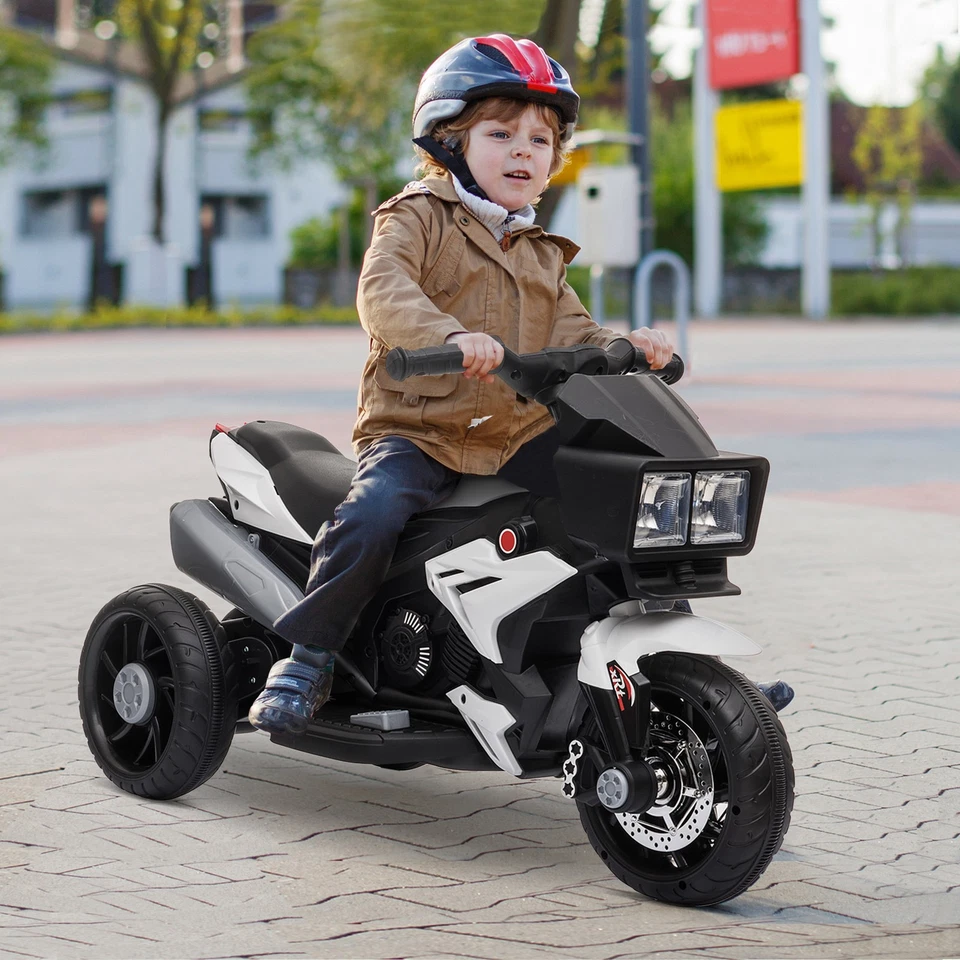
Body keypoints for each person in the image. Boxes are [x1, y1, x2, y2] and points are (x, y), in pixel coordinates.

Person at [249, 35, 789, 735]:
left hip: (512, 434)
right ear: (449, 142)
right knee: (373, 513)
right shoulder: (416, 217)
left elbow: (577, 331)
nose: (523, 151)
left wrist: (630, 347)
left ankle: (681, 669)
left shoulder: (541, 252)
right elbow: (383, 293)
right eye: (500, 133)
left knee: (616, 494)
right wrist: (447, 337)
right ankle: (309, 654)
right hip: (420, 431)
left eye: (540, 140)